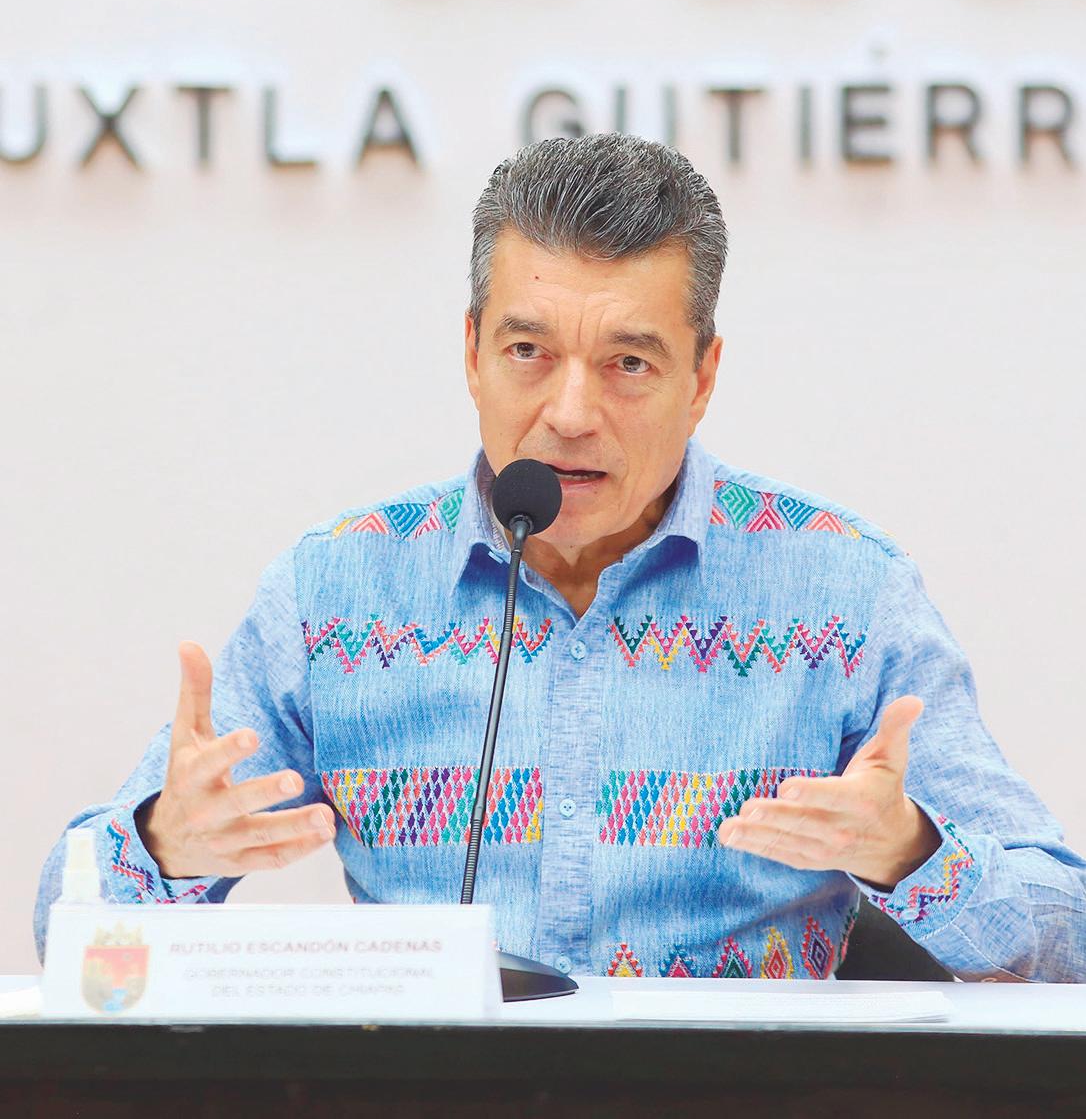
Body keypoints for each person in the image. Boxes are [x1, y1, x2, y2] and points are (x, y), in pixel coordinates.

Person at [35, 133, 1086, 982]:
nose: (571, 413)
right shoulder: (337, 594)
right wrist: (163, 847)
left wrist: (911, 854)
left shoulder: (843, 591)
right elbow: (65, 924)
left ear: (703, 378)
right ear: (472, 353)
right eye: (529, 351)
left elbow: (1065, 926)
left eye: (629, 362)